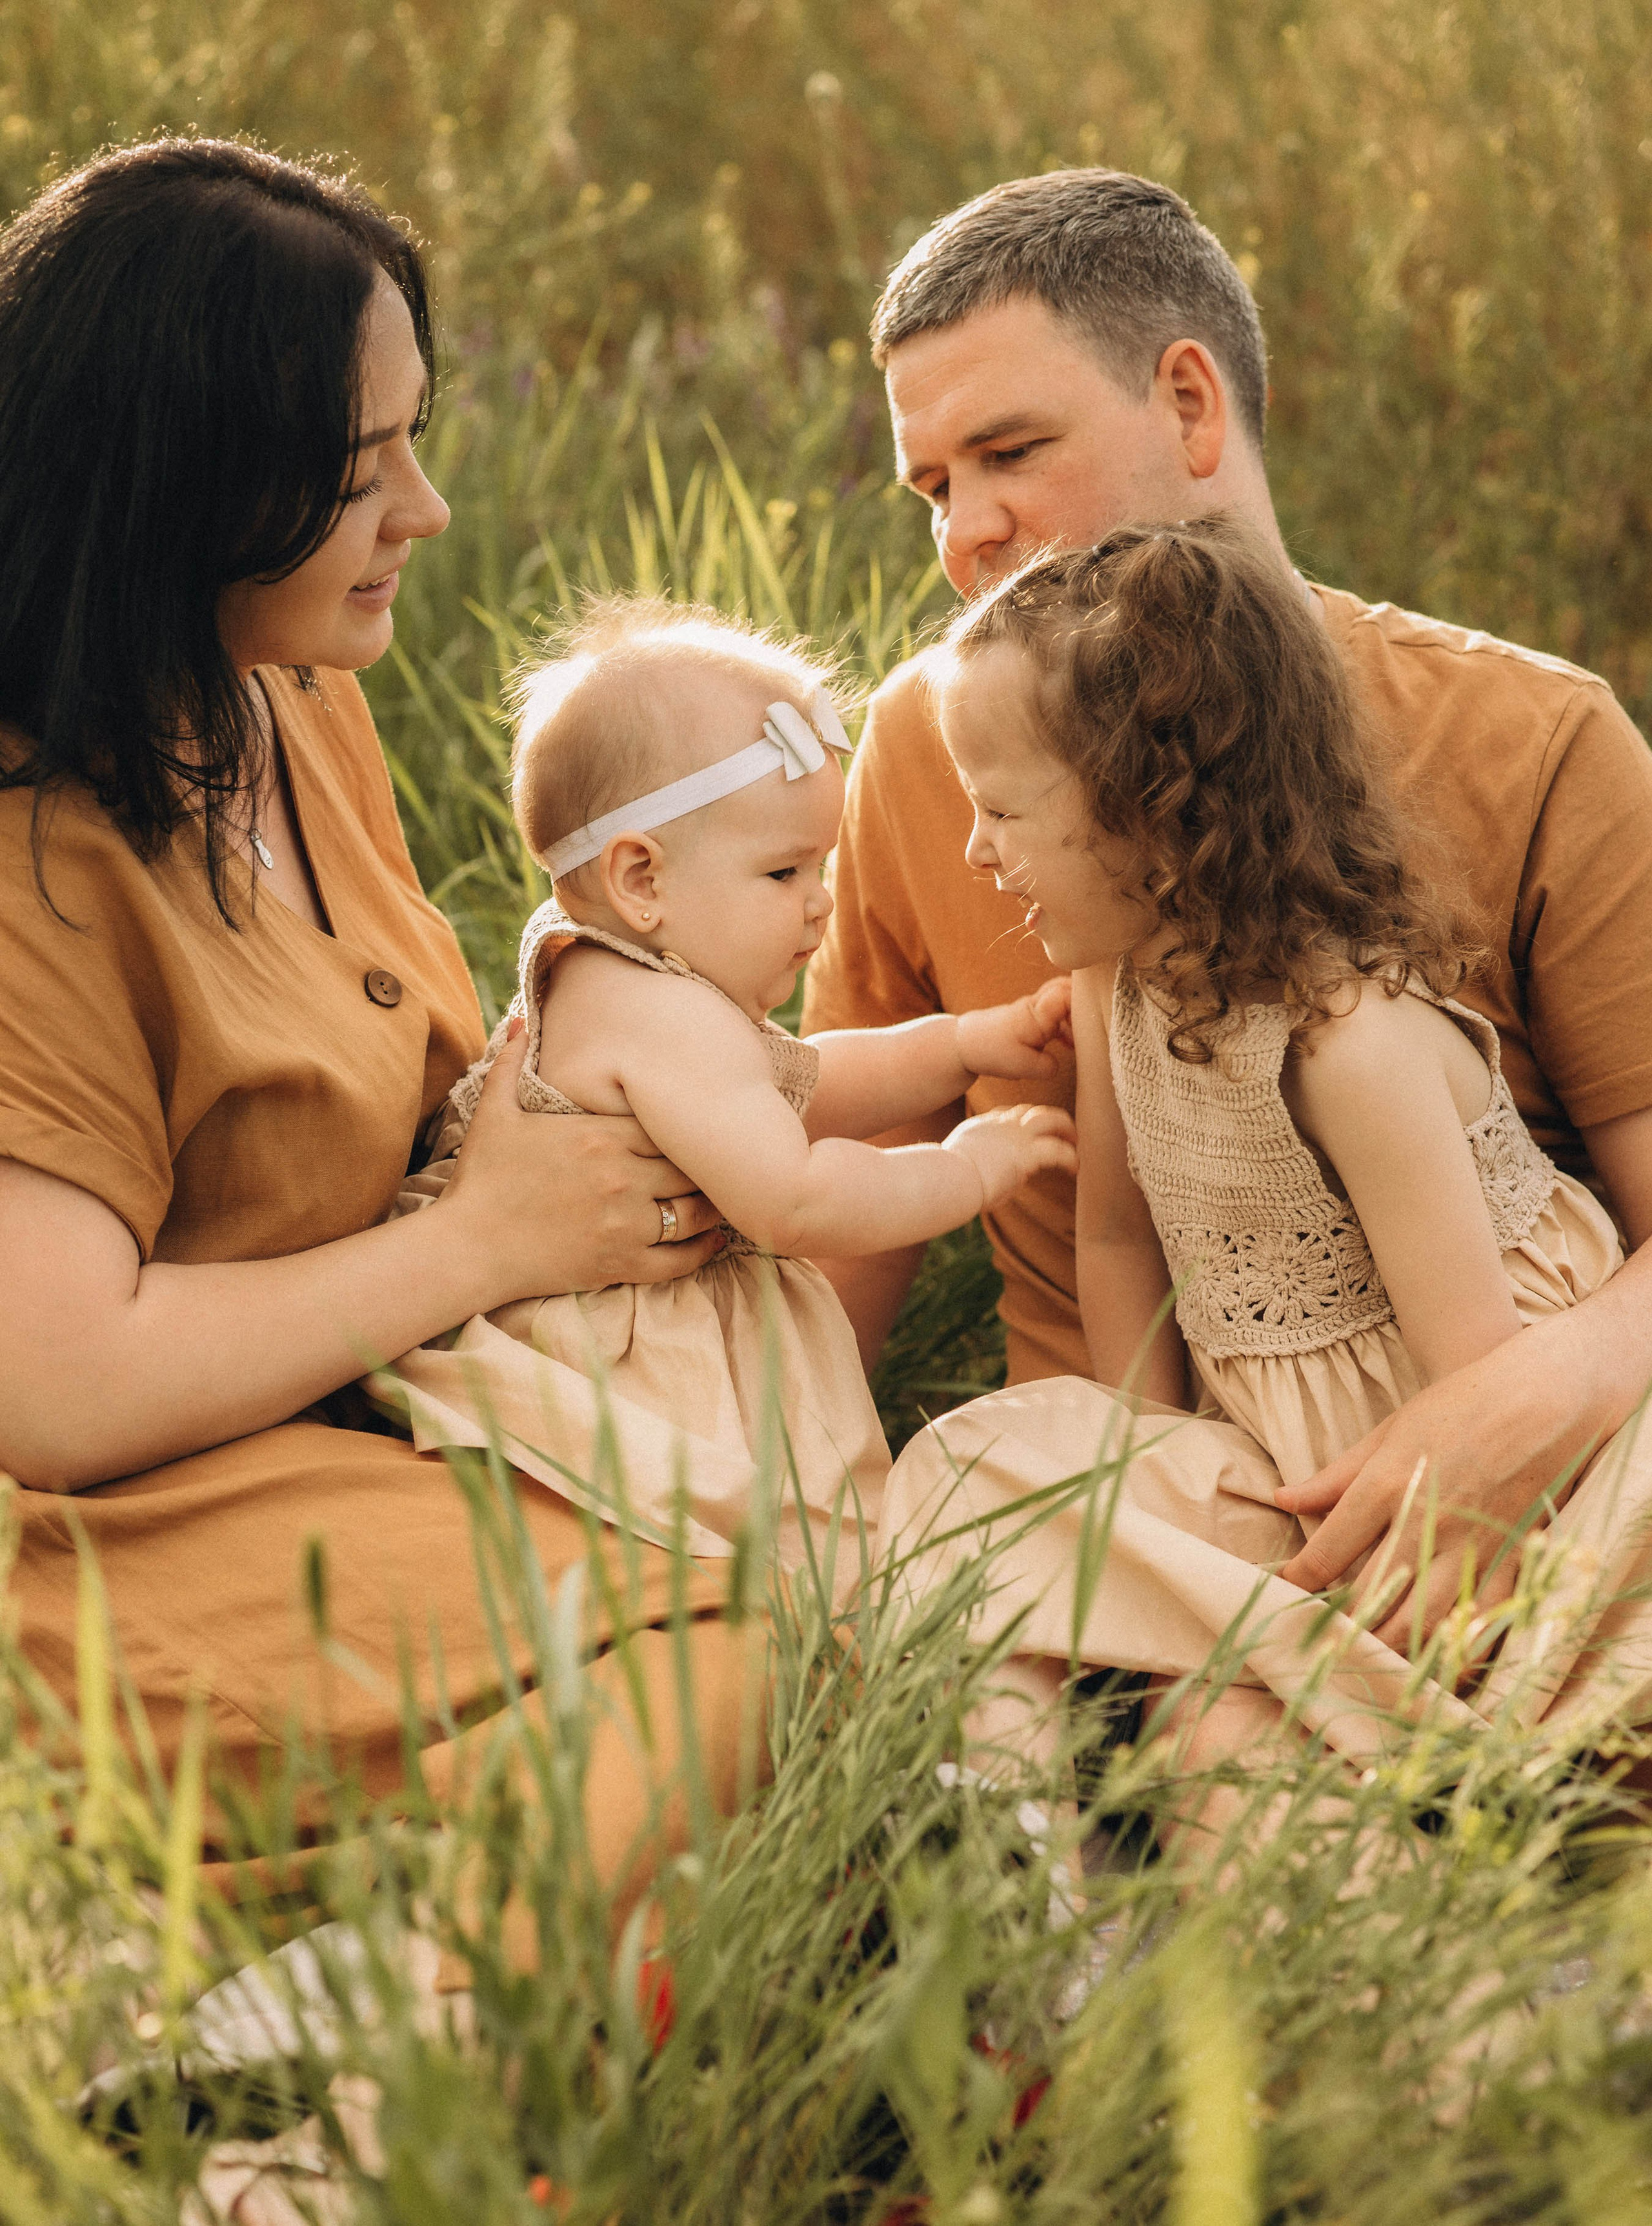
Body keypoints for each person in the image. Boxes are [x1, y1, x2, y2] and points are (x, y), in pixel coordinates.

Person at [0, 139, 765, 1912]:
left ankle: (346, 1939)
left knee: (796, 1611)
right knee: (722, 1655)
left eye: (415, 436)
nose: (422, 508)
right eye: (362, 470)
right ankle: (338, 2126)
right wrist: (488, 1238)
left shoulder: (287, 698)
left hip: (368, 1436)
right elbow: (54, 1387)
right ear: (188, 490)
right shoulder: (37, 860)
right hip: (111, 1530)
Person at [803, 167, 1652, 1648]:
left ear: (1190, 405)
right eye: (933, 487)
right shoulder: (917, 754)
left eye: (1009, 451)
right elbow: (843, 1206)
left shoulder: (1533, 737)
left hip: (1511, 1469)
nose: (965, 534)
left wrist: (1541, 1390)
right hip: (1153, 1529)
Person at [875, 523, 1652, 1834]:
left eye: (1001, 811)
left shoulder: (1347, 1043)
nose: (973, 854)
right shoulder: (1112, 976)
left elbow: (1480, 1413)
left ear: (1153, 816)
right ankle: (1009, 1858)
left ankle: (1435, 1746)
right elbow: (1119, 1244)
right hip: (1285, 1468)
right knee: (967, 1476)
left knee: (1256, 1738)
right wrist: (1149, 1466)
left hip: (1486, 1496)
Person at [377, 598, 1076, 1580]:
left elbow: (807, 1080)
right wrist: (965, 1168)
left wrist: (962, 1046)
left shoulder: (635, 982)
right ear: (641, 880)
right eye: (785, 869)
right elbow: (794, 1197)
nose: (821, 899)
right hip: (639, 1381)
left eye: (823, 864)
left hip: (627, 1337)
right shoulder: (659, 1015)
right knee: (781, 1566)